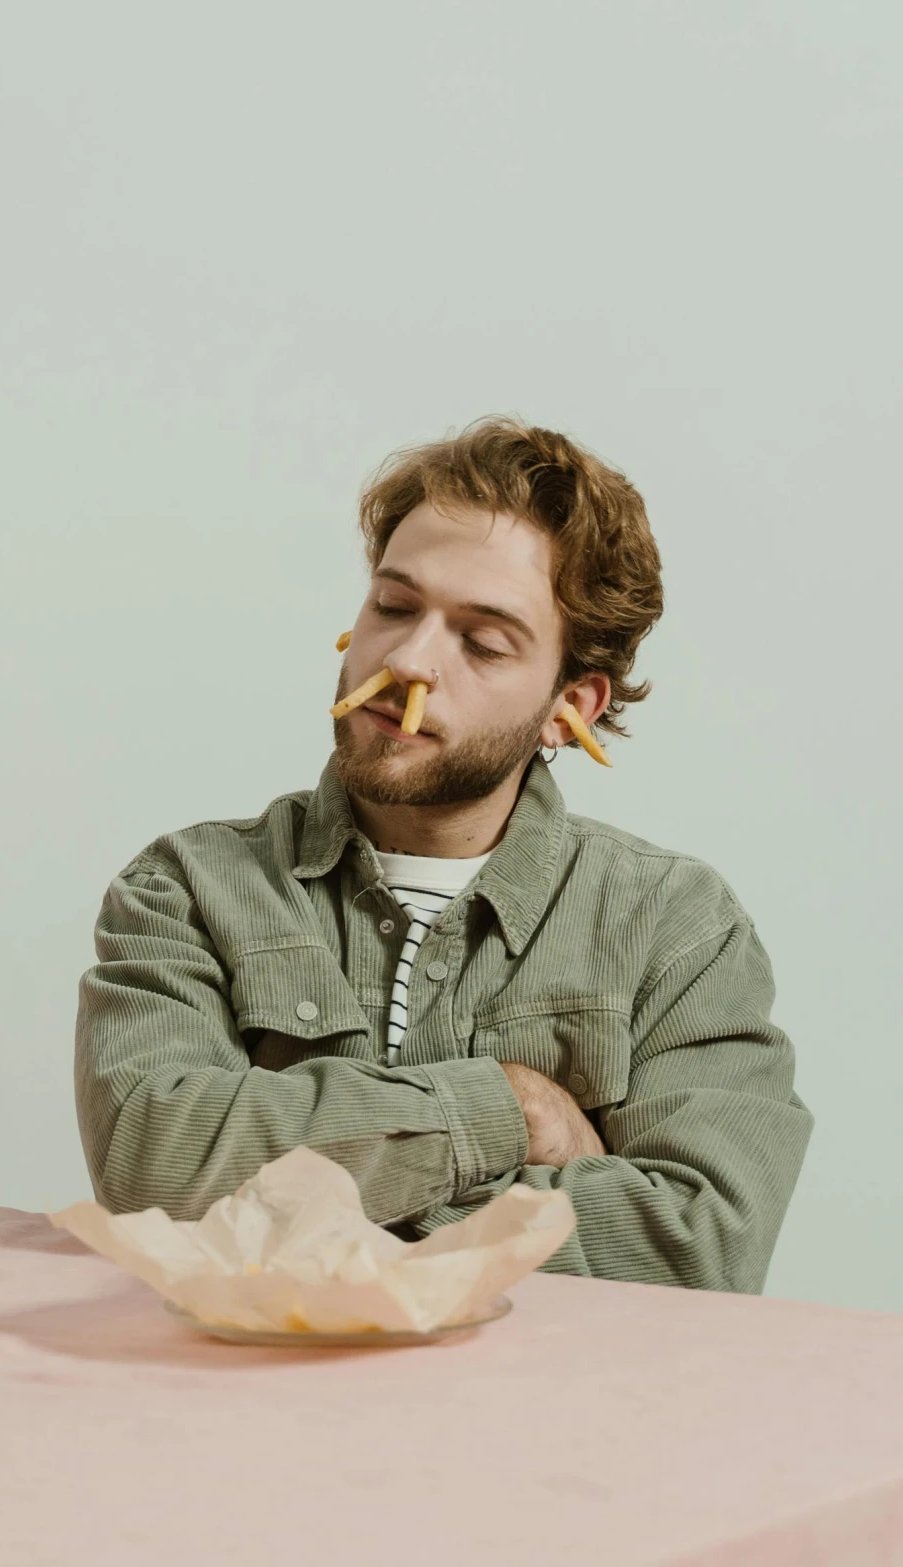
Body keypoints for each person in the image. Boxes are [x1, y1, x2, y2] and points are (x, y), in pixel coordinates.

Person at [72, 418, 810, 1290]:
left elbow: (697, 1247)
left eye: (483, 640)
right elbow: (153, 1166)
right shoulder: (186, 889)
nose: (410, 660)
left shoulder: (676, 927)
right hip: (251, 1406)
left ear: (567, 705)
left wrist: (298, 1204)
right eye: (392, 606)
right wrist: (513, 1106)